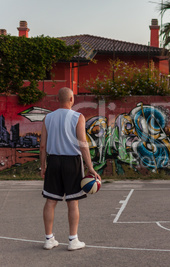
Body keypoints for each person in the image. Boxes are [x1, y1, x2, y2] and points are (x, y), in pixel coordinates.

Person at [40, 87, 101, 251]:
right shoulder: (77, 117)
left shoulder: (48, 118)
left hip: (53, 161)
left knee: (51, 201)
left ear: (57, 99)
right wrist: (90, 167)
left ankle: (48, 239)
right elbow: (82, 143)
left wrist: (43, 165)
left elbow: (43, 145)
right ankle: (73, 240)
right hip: (72, 162)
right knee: (72, 202)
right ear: (72, 99)